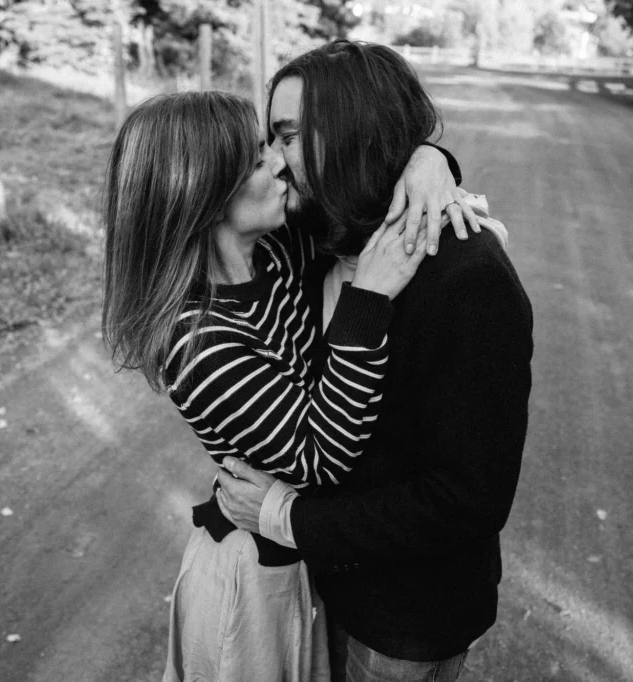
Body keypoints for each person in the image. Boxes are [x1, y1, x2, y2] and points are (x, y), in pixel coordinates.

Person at [100, 90, 481, 682]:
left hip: (311, 557)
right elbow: (321, 455)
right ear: (201, 196)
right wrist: (368, 301)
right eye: (258, 159)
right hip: (256, 580)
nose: (281, 161)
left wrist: (429, 160)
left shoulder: (275, 252)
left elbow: (369, 202)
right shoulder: (197, 342)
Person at [216, 40, 534, 681]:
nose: (277, 163)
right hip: (319, 587)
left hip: (403, 624)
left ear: (358, 133)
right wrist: (430, 156)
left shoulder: (470, 281)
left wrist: (286, 516)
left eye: (290, 137)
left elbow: (465, 500)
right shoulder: (317, 235)